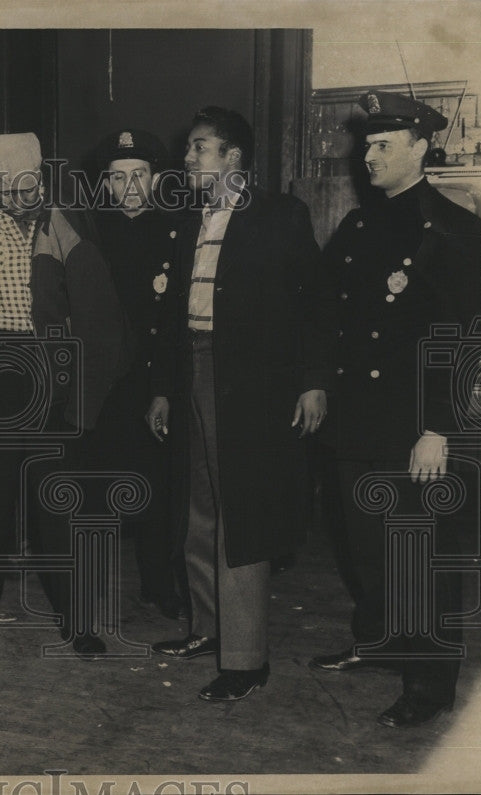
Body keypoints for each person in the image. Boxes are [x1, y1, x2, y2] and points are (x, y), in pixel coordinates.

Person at [145, 107, 336, 701]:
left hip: (252, 383)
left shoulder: (281, 214)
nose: (187, 159)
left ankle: (247, 659)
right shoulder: (187, 219)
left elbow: (314, 305)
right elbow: (170, 315)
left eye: (199, 149)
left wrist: (313, 381)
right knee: (197, 510)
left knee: (241, 516)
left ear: (234, 158)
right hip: (193, 370)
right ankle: (208, 629)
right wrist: (164, 389)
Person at [309, 91, 481, 728]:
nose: (369, 155)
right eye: (367, 144)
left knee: (419, 556)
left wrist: (438, 428)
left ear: (420, 148)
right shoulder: (358, 226)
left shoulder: (453, 229)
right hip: (357, 420)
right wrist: (315, 382)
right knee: (363, 546)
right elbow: (327, 313)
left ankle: (430, 684)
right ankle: (381, 641)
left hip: (415, 425)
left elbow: (458, 342)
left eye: (384, 145)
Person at [0, 132, 130, 660]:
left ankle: (78, 622)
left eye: (31, 186)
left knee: (58, 495)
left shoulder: (61, 213)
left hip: (51, 360)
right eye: (12, 190)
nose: (24, 197)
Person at [90, 128, 188, 621]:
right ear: (106, 185)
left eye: (140, 174)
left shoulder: (177, 231)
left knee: (158, 489)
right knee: (94, 488)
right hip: (101, 384)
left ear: (155, 179)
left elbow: (174, 321)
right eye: (119, 177)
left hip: (153, 379)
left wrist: (164, 390)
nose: (130, 185)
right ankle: (89, 597)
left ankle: (158, 583)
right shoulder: (89, 234)